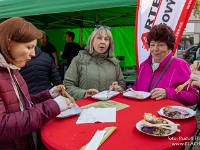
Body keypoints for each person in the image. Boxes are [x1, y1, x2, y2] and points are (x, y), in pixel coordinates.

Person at [0, 17, 74, 150]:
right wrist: (52, 106)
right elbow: (2, 126)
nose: (33, 54)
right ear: (9, 43)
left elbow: (24, 104)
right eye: (29, 47)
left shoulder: (13, 70)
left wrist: (49, 95)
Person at [131, 24, 199, 106]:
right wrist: (130, 91)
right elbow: (136, 88)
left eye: (160, 45)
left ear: (169, 47)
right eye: (152, 44)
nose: (155, 49)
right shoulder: (143, 66)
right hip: (143, 114)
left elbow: (194, 97)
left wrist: (168, 93)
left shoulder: (180, 65)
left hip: (166, 116)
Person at [63, 25, 126, 100]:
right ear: (92, 40)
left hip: (111, 108)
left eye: (106, 39)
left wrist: (118, 89)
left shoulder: (114, 63)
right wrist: (84, 94)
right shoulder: (79, 60)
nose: (103, 42)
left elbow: (122, 85)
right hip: (86, 109)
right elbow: (67, 87)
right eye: (99, 38)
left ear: (110, 43)